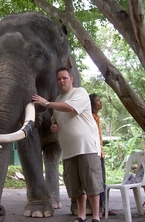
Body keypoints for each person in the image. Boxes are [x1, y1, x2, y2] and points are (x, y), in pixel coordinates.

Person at [32, 67, 103, 222]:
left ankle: (96, 217)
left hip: (86, 147)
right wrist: (53, 126)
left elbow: (70, 108)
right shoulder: (57, 100)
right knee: (75, 187)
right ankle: (81, 216)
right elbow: (55, 121)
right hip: (69, 150)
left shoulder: (80, 93)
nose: (61, 81)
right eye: (59, 79)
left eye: (64, 78)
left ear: (72, 79)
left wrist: (46, 103)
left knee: (91, 183)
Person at [89, 93, 117, 217]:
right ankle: (98, 209)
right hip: (93, 153)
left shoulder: (97, 117)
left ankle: (104, 207)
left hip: (100, 153)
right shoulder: (89, 118)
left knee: (102, 182)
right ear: (92, 104)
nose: (100, 102)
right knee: (95, 182)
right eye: (98, 100)